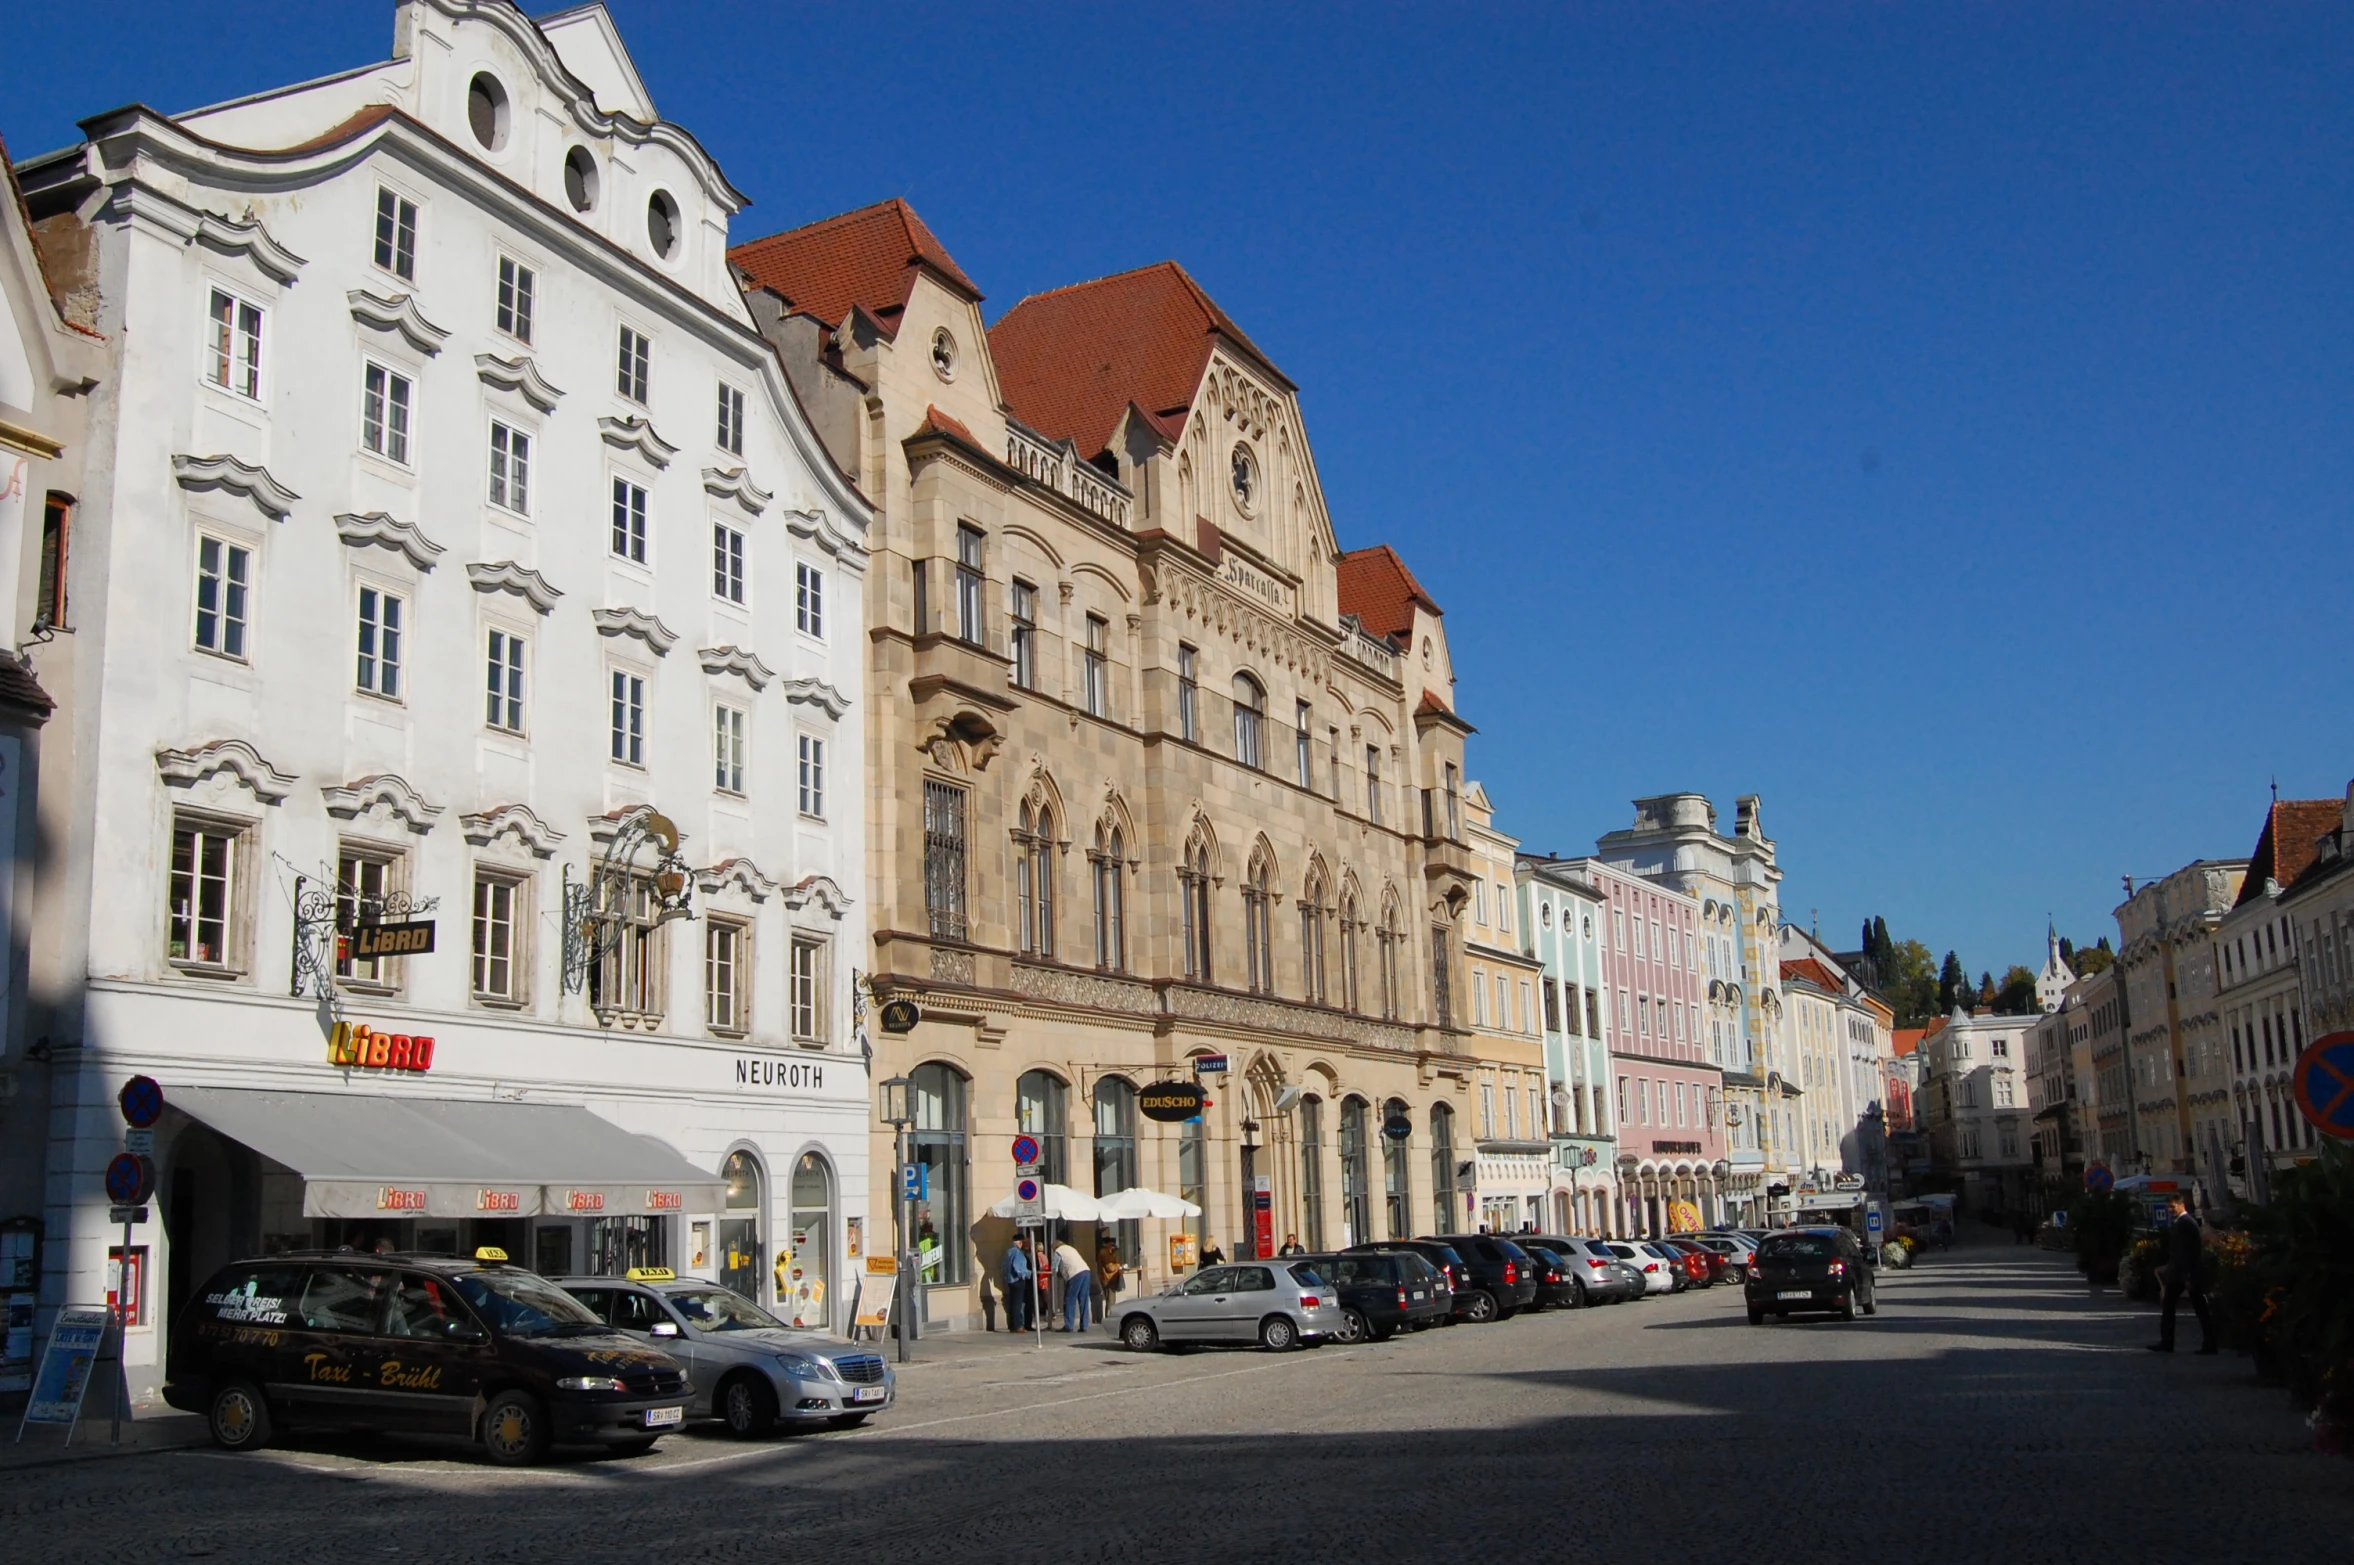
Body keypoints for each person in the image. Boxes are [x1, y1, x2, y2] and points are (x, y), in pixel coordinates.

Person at [2149, 1194, 2216, 1355]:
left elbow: (2189, 1253)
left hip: (2185, 1274)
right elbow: (2179, 1252)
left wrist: (2188, 1276)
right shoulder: (2182, 1223)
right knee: (2180, 1306)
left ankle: (2206, 1343)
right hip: (2180, 1273)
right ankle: (2169, 1342)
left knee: (2197, 1308)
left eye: (2173, 1207)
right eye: (2169, 1208)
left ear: (2182, 1206)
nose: (2170, 1210)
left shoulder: (2186, 1223)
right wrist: (2166, 1267)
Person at [1053, 1238, 1093, 1331]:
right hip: (1086, 1271)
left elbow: (1054, 1267)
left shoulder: (1058, 1251)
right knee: (1084, 1299)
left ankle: (1069, 1325)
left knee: (1069, 1299)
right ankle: (1084, 1325)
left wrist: (1052, 1273)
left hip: (1075, 1274)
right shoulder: (1070, 1248)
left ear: (1055, 1246)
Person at [1001, 1236, 1034, 1333]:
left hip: (1010, 1280)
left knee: (1013, 1303)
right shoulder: (1017, 1252)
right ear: (1020, 1243)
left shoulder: (1008, 1252)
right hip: (1017, 1280)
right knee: (1017, 1304)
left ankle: (1013, 1325)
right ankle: (1017, 1325)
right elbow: (1018, 1267)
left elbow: (1004, 1266)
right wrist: (1028, 1273)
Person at [1095, 1235, 1125, 1320]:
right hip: (1108, 1279)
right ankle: (1109, 1316)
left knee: (1111, 1299)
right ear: (1107, 1244)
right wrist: (1118, 1266)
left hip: (1109, 1279)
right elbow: (1110, 1267)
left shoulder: (1108, 1252)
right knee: (1110, 1300)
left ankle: (1110, 1315)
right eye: (1111, 1243)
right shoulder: (1104, 1252)